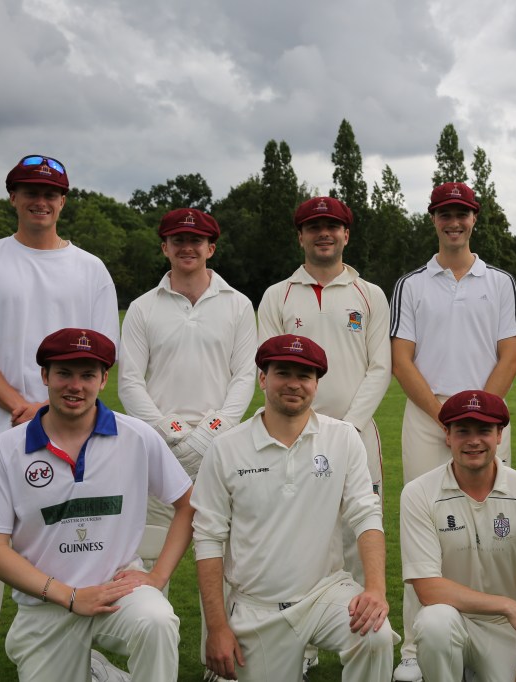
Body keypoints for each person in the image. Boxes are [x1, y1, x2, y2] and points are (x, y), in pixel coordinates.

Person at [0, 154, 119, 681]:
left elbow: (102, 355)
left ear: (63, 200)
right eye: (30, 191)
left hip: (74, 436)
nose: (41, 201)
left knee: (71, 554)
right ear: (13, 196)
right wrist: (22, 405)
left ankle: (77, 662)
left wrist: (50, 407)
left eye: (51, 192)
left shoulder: (90, 269)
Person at [0, 328, 194, 680]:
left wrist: (157, 576)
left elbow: (189, 504)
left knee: (157, 622)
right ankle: (99, 673)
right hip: (45, 605)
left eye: (87, 375)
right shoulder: (8, 449)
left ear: (103, 379)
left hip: (119, 593)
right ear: (45, 376)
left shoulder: (136, 436)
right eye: (64, 373)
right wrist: (69, 595)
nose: (75, 386)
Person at [192, 334, 396, 682]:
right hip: (257, 606)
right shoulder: (226, 448)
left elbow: (366, 515)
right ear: (262, 378)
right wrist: (217, 627)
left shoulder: (343, 437)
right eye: (283, 373)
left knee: (375, 635)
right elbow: (208, 539)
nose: (294, 384)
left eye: (304, 376)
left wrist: (375, 589)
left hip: (325, 592)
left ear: (316, 384)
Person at [389, 181, 516, 681]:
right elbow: (401, 360)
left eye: (462, 214)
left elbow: (510, 355)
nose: (454, 222)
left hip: (485, 423)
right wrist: (444, 416)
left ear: (474, 219)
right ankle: (415, 648)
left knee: (497, 531)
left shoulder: (501, 282)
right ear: (433, 219)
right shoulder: (411, 284)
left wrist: (479, 417)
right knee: (422, 530)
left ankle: (500, 636)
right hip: (427, 418)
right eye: (445, 214)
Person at [118, 207, 257, 678]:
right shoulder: (143, 307)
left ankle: (221, 664)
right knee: (147, 556)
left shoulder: (238, 304)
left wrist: (210, 433)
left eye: (196, 240)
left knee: (223, 558)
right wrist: (170, 433)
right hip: (157, 450)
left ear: (211, 248)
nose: (187, 247)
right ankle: (147, 665)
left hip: (220, 450)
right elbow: (130, 381)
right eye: (177, 239)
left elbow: (243, 378)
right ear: (164, 247)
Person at [257, 196, 391, 677]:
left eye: (332, 226)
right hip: (292, 434)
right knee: (298, 533)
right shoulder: (278, 295)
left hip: (356, 433)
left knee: (358, 532)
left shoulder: (370, 294)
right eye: (314, 227)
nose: (324, 234)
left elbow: (380, 367)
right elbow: (266, 367)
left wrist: (348, 428)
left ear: (346, 234)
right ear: (301, 236)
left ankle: (356, 631)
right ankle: (303, 640)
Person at [400, 390, 516, 682]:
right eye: (463, 431)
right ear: (447, 435)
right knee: (435, 622)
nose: (473, 440)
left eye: (484, 431)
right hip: (450, 620)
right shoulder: (419, 492)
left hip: (506, 630)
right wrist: (508, 606)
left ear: (499, 435)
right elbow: (428, 588)